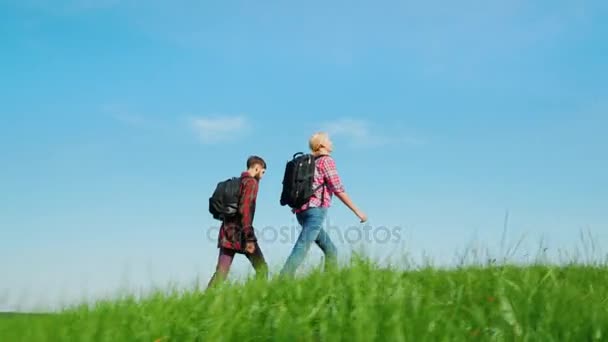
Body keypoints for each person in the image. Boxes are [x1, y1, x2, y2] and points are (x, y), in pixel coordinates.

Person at [280, 132, 367, 277]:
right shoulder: (326, 161)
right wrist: (358, 211)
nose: (331, 142)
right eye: (328, 140)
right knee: (302, 247)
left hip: (301, 213)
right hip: (316, 212)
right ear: (321, 145)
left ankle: (328, 282)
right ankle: (283, 278)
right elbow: (338, 188)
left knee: (331, 250)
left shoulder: (310, 162)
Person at [207, 155, 269, 288]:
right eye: (263, 172)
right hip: (241, 234)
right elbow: (245, 210)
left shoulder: (236, 182)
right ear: (257, 168)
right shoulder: (251, 183)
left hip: (226, 233)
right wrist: (249, 238)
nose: (262, 176)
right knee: (262, 269)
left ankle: (204, 302)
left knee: (221, 274)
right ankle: (256, 298)